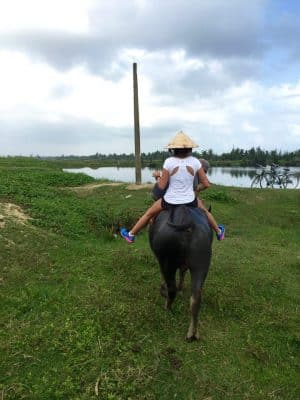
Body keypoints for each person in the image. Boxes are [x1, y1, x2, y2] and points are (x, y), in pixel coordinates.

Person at [120, 131, 225, 243]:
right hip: (190, 200)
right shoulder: (195, 162)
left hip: (170, 200)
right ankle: (219, 232)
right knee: (205, 212)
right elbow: (206, 183)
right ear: (190, 149)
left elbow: (161, 186)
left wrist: (159, 179)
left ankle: (131, 235)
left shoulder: (169, 162)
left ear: (173, 149)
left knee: (149, 213)